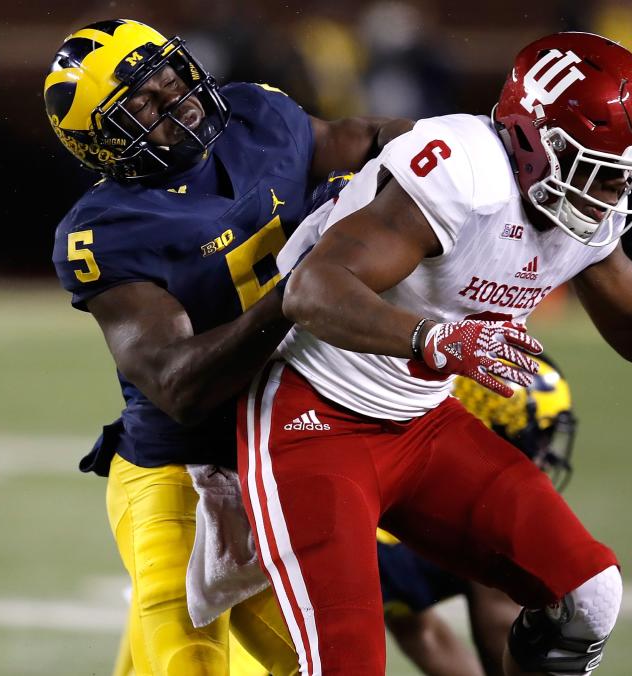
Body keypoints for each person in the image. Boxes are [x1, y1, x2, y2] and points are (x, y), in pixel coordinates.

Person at [238, 31, 632, 675]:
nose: (610, 195)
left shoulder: (581, 204)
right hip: (310, 415)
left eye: (622, 174)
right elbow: (314, 287)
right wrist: (432, 338)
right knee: (349, 665)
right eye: (594, 169)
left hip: (420, 421)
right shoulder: (464, 172)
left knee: (589, 595)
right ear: (529, 138)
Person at [45, 18, 411, 676]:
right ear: (103, 145)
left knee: (323, 658)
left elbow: (363, 140)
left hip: (283, 451)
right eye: (142, 104)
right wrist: (295, 293)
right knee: (190, 663)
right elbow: (180, 386)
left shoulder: (256, 114)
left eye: (169, 78)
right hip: (177, 470)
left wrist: (471, 146)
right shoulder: (106, 231)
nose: (172, 100)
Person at [379, 353, 575, 676]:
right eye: (539, 438)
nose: (546, 456)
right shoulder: (479, 522)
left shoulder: (408, 471)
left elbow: (419, 630)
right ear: (489, 428)